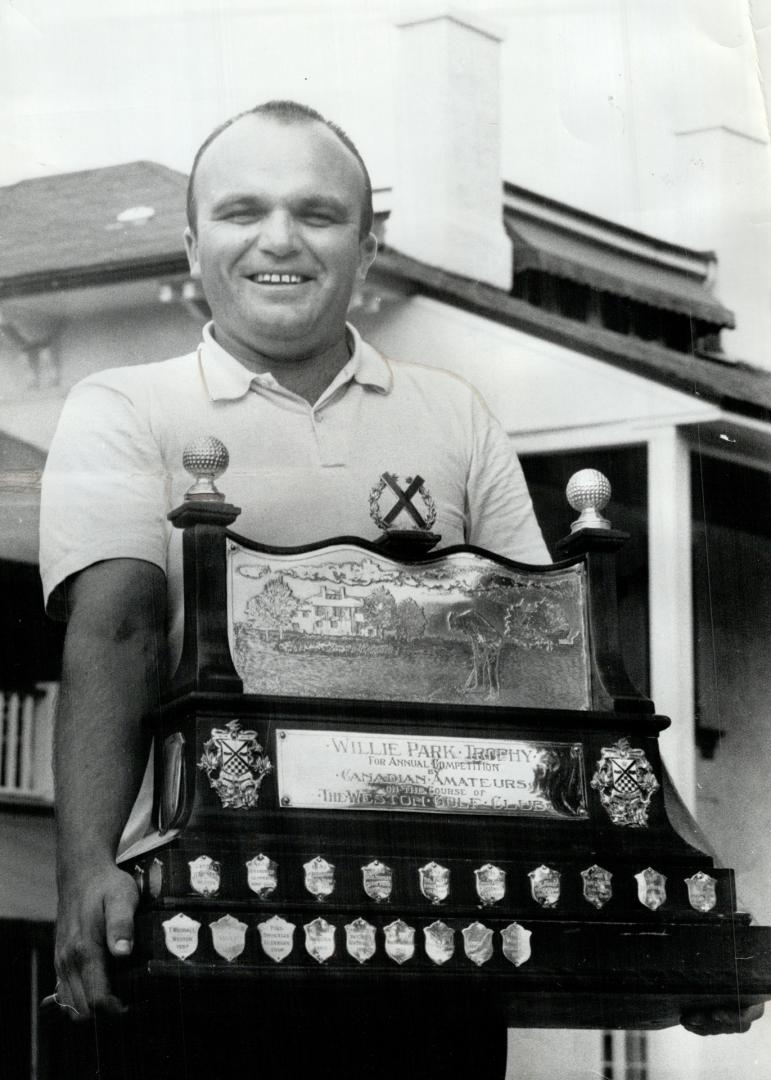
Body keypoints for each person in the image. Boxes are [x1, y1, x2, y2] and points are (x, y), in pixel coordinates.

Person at [39, 100, 762, 1078]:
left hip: (433, 929)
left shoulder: (452, 417)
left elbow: (551, 662)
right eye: (242, 210)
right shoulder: (125, 408)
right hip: (200, 913)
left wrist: (668, 902)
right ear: (191, 241)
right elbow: (115, 635)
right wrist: (86, 868)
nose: (279, 241)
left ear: (369, 246)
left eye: (318, 213)